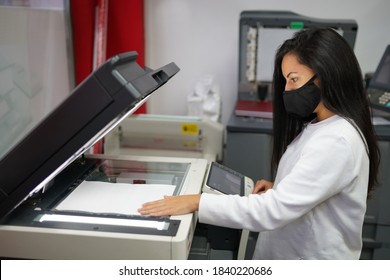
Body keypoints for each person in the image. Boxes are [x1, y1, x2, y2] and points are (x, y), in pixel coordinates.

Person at [138, 27, 380, 260]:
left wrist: (196, 201)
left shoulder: (336, 140)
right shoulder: (323, 124)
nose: (287, 89)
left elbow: (272, 211)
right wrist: (283, 187)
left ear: (327, 75)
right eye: (286, 81)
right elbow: (317, 183)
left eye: (294, 79)